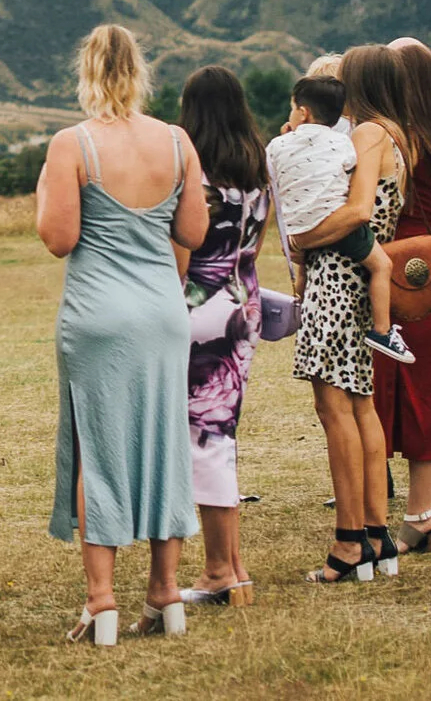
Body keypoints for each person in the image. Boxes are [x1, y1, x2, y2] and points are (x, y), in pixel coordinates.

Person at [39, 25, 208, 646]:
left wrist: (43, 199)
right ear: (140, 72)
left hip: (98, 316)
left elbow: (58, 238)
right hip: (163, 314)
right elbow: (191, 233)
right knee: (165, 444)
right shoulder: (176, 141)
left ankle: (101, 601)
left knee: (97, 450)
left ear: (86, 72)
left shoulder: (72, 144)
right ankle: (165, 593)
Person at [291, 45, 411, 585]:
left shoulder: (366, 134)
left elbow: (358, 210)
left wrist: (303, 239)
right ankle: (376, 534)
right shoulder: (395, 133)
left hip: (338, 277)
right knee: (361, 405)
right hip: (360, 277)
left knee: (334, 407)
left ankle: (348, 542)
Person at [173, 66, 268, 610]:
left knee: (205, 439)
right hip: (244, 301)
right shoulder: (256, 166)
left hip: (199, 305)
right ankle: (233, 568)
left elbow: (185, 252)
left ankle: (219, 572)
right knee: (221, 433)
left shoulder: (196, 173)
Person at [375, 38, 431, 555]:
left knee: (398, 391)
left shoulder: (400, 141)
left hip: (396, 272)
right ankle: (427, 510)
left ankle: (414, 515)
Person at [266, 79, 413, 365]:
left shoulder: (277, 145)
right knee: (382, 265)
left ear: (304, 112)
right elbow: (351, 174)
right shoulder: (344, 143)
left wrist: (287, 138)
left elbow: (271, 169)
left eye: (292, 109)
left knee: (303, 273)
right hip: (334, 224)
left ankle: (303, 300)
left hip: (297, 227)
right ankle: (382, 330)